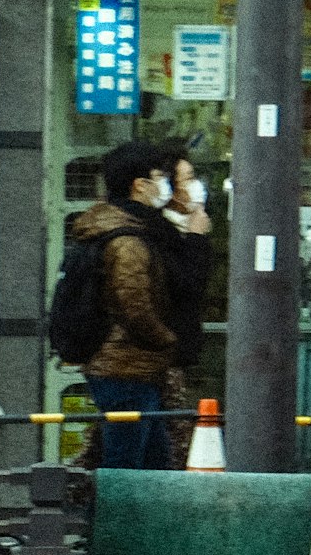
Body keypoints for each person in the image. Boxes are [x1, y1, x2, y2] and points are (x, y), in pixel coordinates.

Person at [63, 140, 190, 472]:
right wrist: (168, 340)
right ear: (139, 185)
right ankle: (107, 524)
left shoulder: (121, 230)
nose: (165, 185)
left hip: (129, 366)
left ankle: (139, 524)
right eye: (159, 176)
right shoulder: (127, 242)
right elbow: (135, 308)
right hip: (123, 367)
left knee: (152, 463)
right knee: (126, 466)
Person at [152, 147, 217, 467]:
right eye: (189, 178)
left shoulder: (183, 226)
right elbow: (188, 285)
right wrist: (195, 238)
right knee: (172, 439)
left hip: (175, 352)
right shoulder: (162, 232)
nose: (196, 186)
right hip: (165, 355)